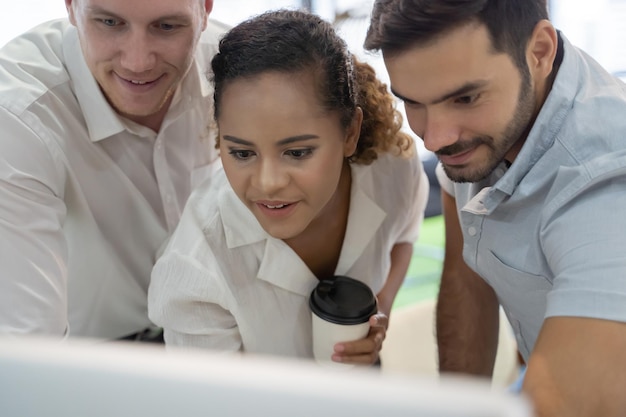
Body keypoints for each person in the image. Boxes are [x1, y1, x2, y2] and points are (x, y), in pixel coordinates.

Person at [364, 0, 626, 415]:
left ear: (540, 51)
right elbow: (467, 277)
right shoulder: (486, 121)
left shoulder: (605, 186)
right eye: (412, 102)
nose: (434, 139)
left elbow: (568, 405)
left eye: (465, 98)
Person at [147, 9, 429, 366]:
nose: (267, 183)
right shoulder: (194, 275)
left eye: (297, 152)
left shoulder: (391, 168)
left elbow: (404, 234)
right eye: (242, 152)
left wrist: (381, 311)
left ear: (350, 133)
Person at [0, 0, 227, 341]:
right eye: (109, 22)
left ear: (205, 8)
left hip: (218, 337)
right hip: (90, 361)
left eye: (166, 27)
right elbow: (27, 342)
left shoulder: (238, 70)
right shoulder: (17, 115)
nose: (138, 62)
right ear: (72, 7)